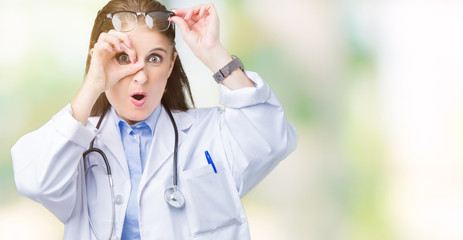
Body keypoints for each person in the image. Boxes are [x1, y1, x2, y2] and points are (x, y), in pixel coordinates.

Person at [11, 0, 297, 239]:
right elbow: (37, 181)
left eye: (155, 58)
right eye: (123, 58)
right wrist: (92, 84)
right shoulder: (74, 145)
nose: (140, 75)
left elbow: (272, 138)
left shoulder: (210, 134)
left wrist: (213, 53)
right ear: (100, 61)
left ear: (171, 64)